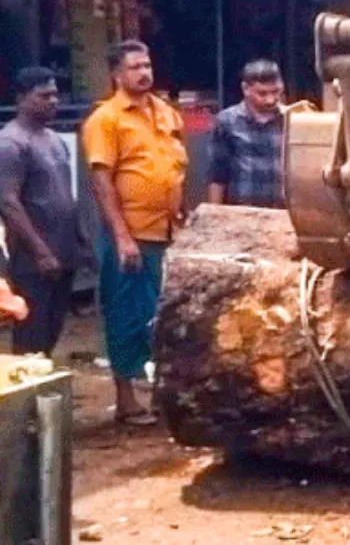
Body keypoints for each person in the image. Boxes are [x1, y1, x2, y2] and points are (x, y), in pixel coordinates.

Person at [81, 41, 187, 425]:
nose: (144, 72)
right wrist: (122, 236)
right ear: (117, 74)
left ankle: (161, 395)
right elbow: (101, 181)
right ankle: (126, 400)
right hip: (130, 235)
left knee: (163, 317)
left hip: (168, 231)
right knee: (127, 315)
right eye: (135, 67)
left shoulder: (165, 113)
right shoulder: (106, 119)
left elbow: (174, 169)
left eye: (147, 64)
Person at [0, 67, 86, 355]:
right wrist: (40, 252)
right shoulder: (11, 143)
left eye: (55, 94)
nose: (53, 101)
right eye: (44, 95)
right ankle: (25, 398)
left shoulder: (55, 140)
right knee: (31, 334)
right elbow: (9, 203)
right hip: (32, 260)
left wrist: (79, 240)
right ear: (22, 98)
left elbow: (64, 194)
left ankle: (42, 394)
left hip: (63, 253)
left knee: (51, 331)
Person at [207, 60, 285, 208]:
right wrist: (214, 214)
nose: (270, 100)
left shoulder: (291, 119)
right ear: (245, 89)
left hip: (282, 213)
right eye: (262, 93)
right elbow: (217, 175)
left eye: (276, 92)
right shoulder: (227, 121)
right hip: (241, 213)